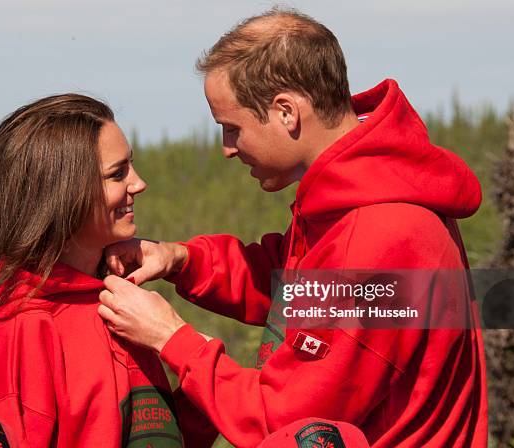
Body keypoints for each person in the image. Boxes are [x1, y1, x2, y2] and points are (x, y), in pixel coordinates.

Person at [98, 8, 488, 448]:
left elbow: (285, 419)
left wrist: (173, 339)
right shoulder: (357, 199)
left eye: (233, 128)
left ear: (286, 112)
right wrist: (181, 260)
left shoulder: (380, 236)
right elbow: (298, 288)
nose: (228, 149)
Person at [0, 94, 208, 447]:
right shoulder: (19, 329)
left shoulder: (122, 306)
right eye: (118, 173)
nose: (138, 183)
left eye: (131, 165)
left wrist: (199, 391)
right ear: (64, 193)